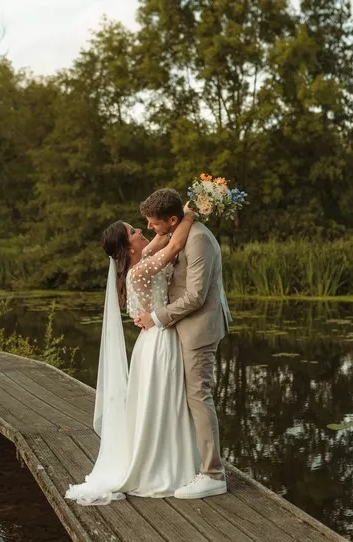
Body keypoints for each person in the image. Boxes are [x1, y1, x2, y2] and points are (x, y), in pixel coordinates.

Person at [65, 204, 200, 505]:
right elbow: (174, 243)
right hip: (159, 342)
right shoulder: (139, 271)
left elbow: (160, 240)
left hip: (151, 341)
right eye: (134, 231)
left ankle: (171, 458)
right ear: (128, 245)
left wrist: (177, 216)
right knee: (165, 402)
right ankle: (164, 467)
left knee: (162, 403)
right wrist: (190, 216)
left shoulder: (141, 260)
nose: (142, 231)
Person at [135, 188, 232, 500]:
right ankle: (194, 463)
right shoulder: (181, 233)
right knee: (189, 398)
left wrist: (157, 317)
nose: (150, 228)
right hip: (185, 329)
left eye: (153, 223)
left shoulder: (199, 239)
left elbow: (196, 296)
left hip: (199, 330)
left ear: (172, 220)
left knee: (199, 397)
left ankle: (213, 475)